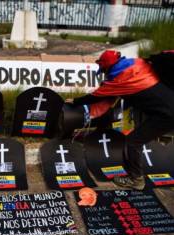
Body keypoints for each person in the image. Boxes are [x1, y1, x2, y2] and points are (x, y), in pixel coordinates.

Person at [67, 50, 174, 190]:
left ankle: (136, 180)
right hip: (166, 107)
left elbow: (95, 97)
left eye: (103, 70)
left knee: (133, 141)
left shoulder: (119, 79)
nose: (104, 73)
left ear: (107, 67)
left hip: (166, 115)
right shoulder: (139, 63)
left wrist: (74, 101)